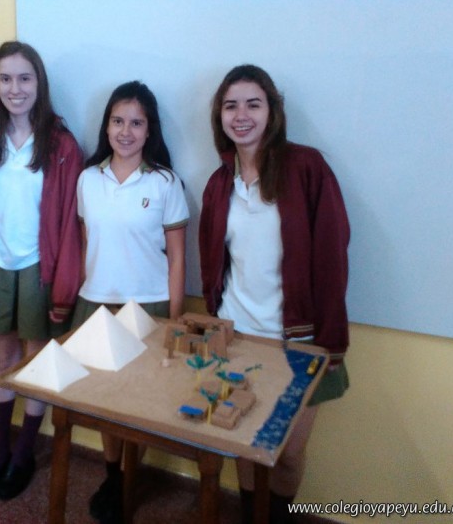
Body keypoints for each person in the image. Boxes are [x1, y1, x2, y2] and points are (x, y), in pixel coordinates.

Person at [199, 64, 350, 523]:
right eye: (231, 106)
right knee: (246, 442)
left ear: (272, 111)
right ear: (220, 115)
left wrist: (329, 342)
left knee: (286, 453)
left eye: (253, 104)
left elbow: (332, 255)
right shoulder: (219, 183)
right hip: (238, 336)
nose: (241, 115)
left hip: (297, 341)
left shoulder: (307, 167)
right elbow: (213, 262)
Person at [0, 41, 83, 500]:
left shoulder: (62, 146)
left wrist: (62, 286)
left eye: (24, 78)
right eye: (6, 78)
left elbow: (69, 223)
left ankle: (23, 455)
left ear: (39, 84)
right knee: (3, 359)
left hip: (39, 266)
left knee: (34, 362)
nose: (15, 88)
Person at [74, 81, 189, 524]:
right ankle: (112, 475)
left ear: (149, 130)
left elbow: (177, 258)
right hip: (97, 304)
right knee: (105, 400)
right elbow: (88, 243)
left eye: (136, 123)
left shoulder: (165, 182)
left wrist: (174, 320)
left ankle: (129, 478)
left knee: (137, 404)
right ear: (106, 127)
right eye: (118, 121)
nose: (126, 131)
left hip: (149, 309)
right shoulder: (88, 179)